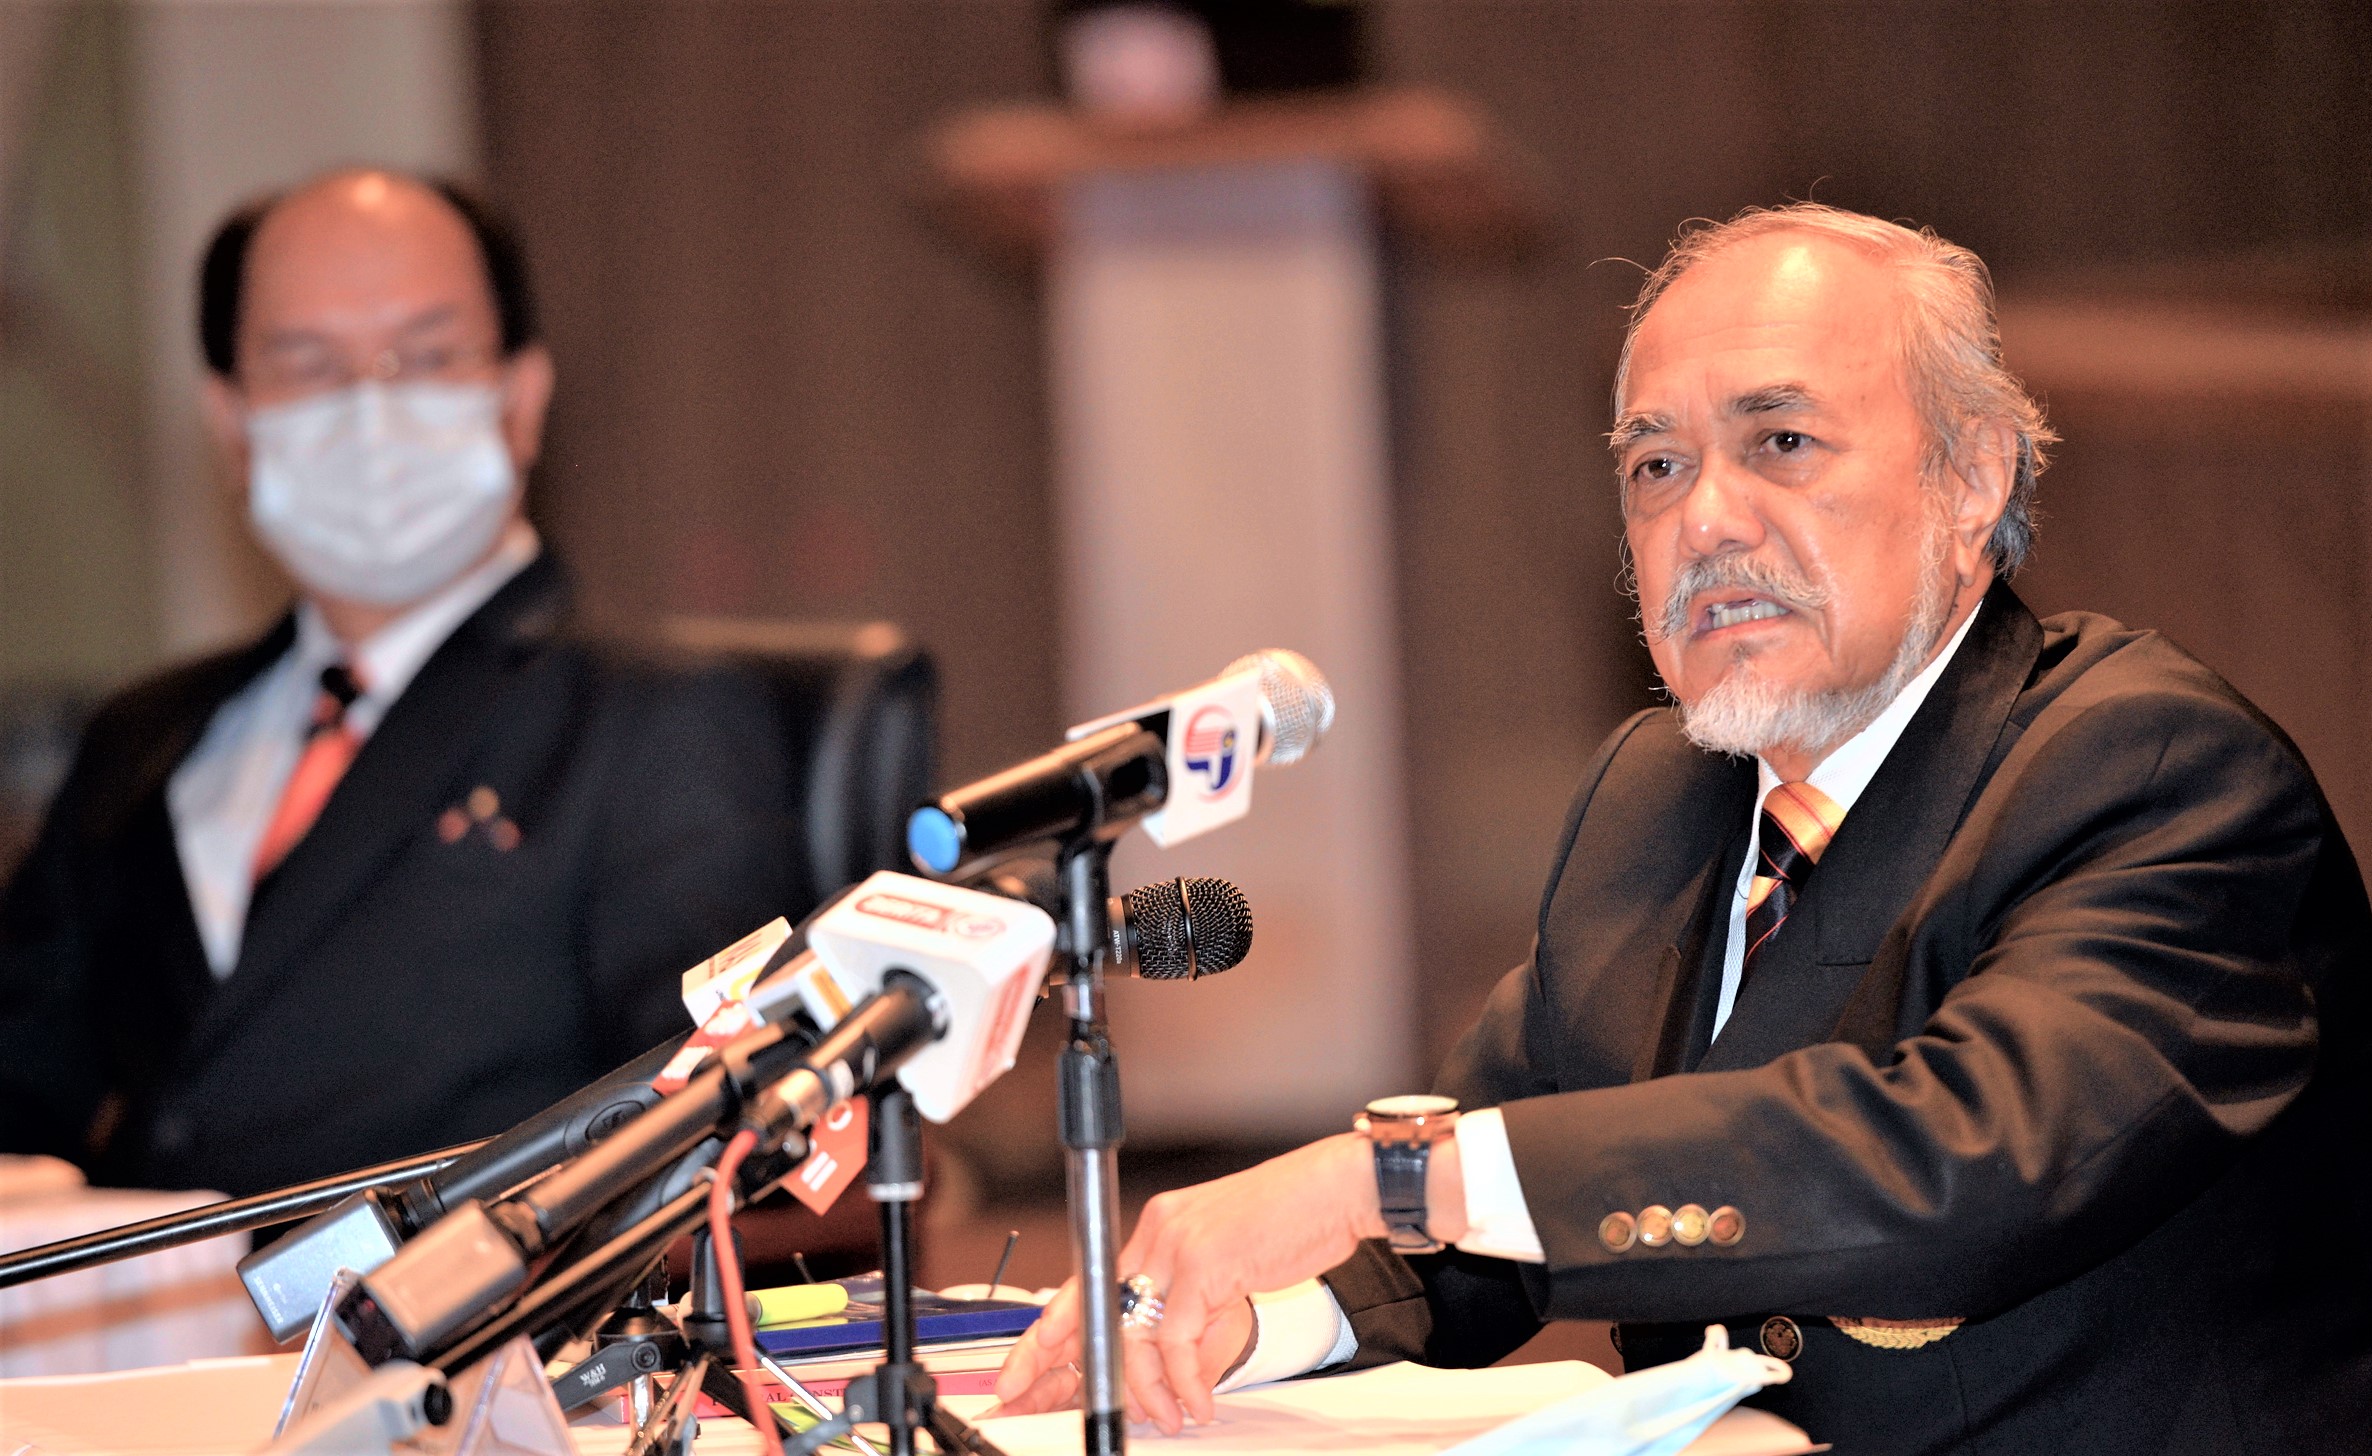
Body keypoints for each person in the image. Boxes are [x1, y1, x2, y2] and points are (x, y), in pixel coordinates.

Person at [994, 204, 2372, 1454]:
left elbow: (1954, 1155)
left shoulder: (2154, 767)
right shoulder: (1657, 796)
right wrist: (1253, 1320)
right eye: (1655, 465)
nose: (1703, 517)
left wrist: (1387, 1177)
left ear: (1971, 478)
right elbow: (1510, 1170)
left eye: (1782, 443)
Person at [0, 170, 799, 1199]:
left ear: (521, 397)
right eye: (308, 364)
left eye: (427, 357)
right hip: (125, 1297)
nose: (370, 409)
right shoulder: (142, 736)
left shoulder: (653, 723)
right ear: (231, 421)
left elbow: (722, 1134)